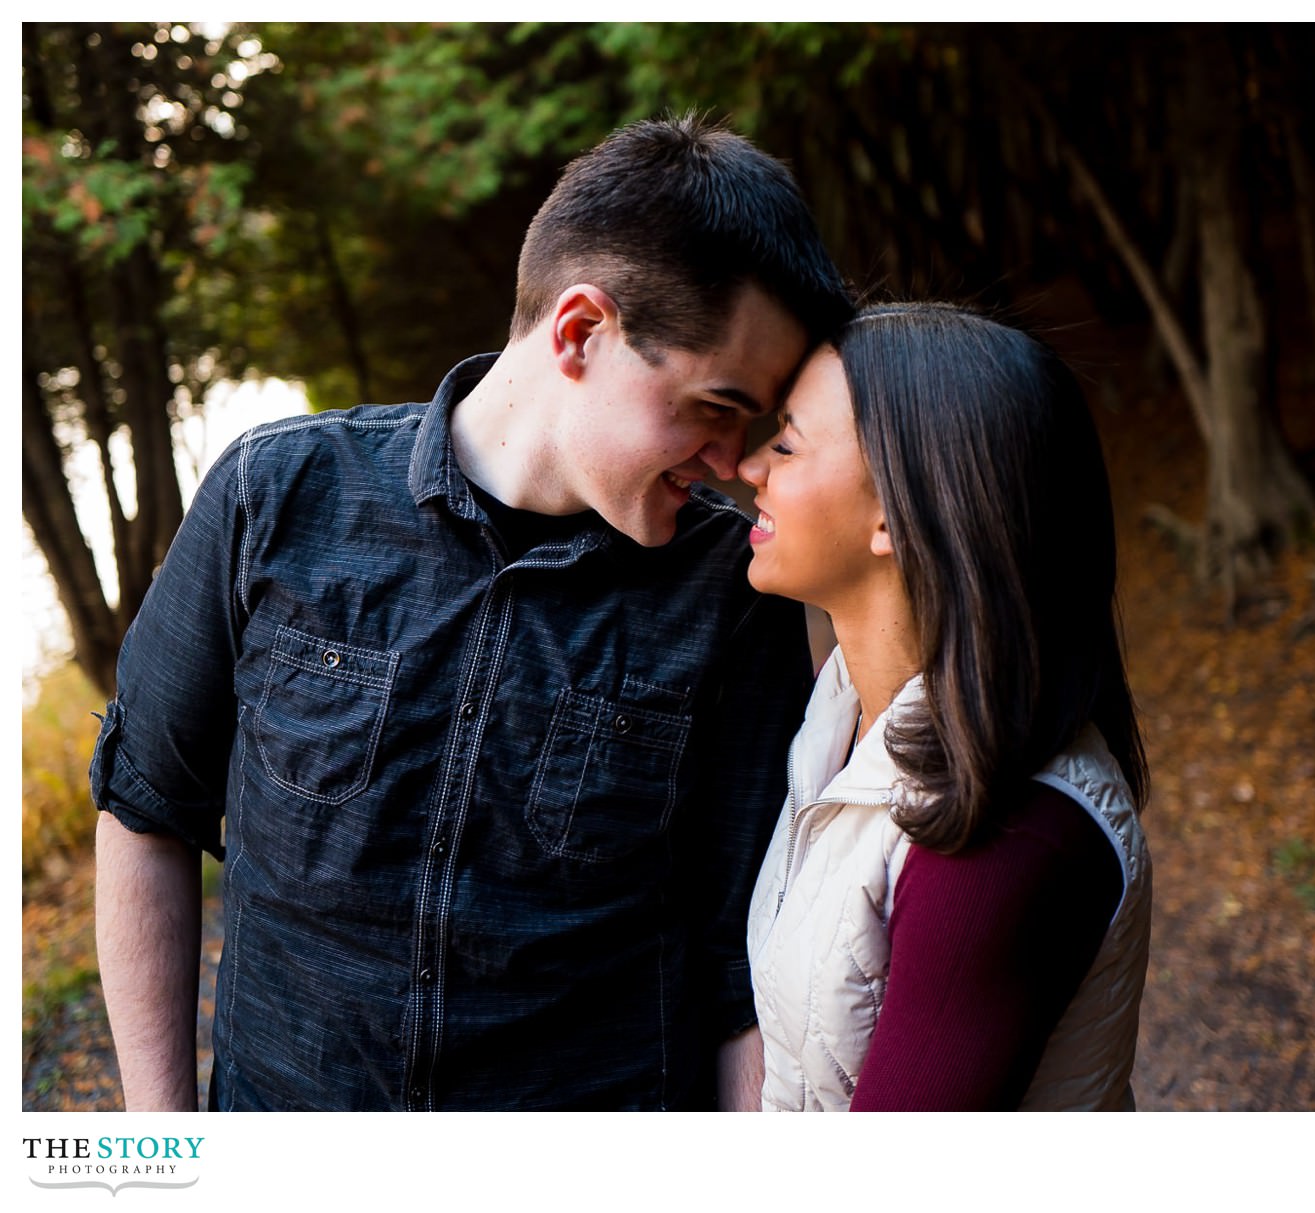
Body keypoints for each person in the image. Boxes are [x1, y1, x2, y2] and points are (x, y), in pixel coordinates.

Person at [90, 115, 852, 1111]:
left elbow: (733, 973)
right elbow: (148, 806)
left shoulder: (732, 591)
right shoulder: (272, 495)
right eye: (714, 404)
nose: (727, 460)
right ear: (579, 333)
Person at [738, 302, 1153, 1110]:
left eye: (786, 442)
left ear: (896, 511)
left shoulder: (1009, 833)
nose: (751, 465)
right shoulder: (842, 713)